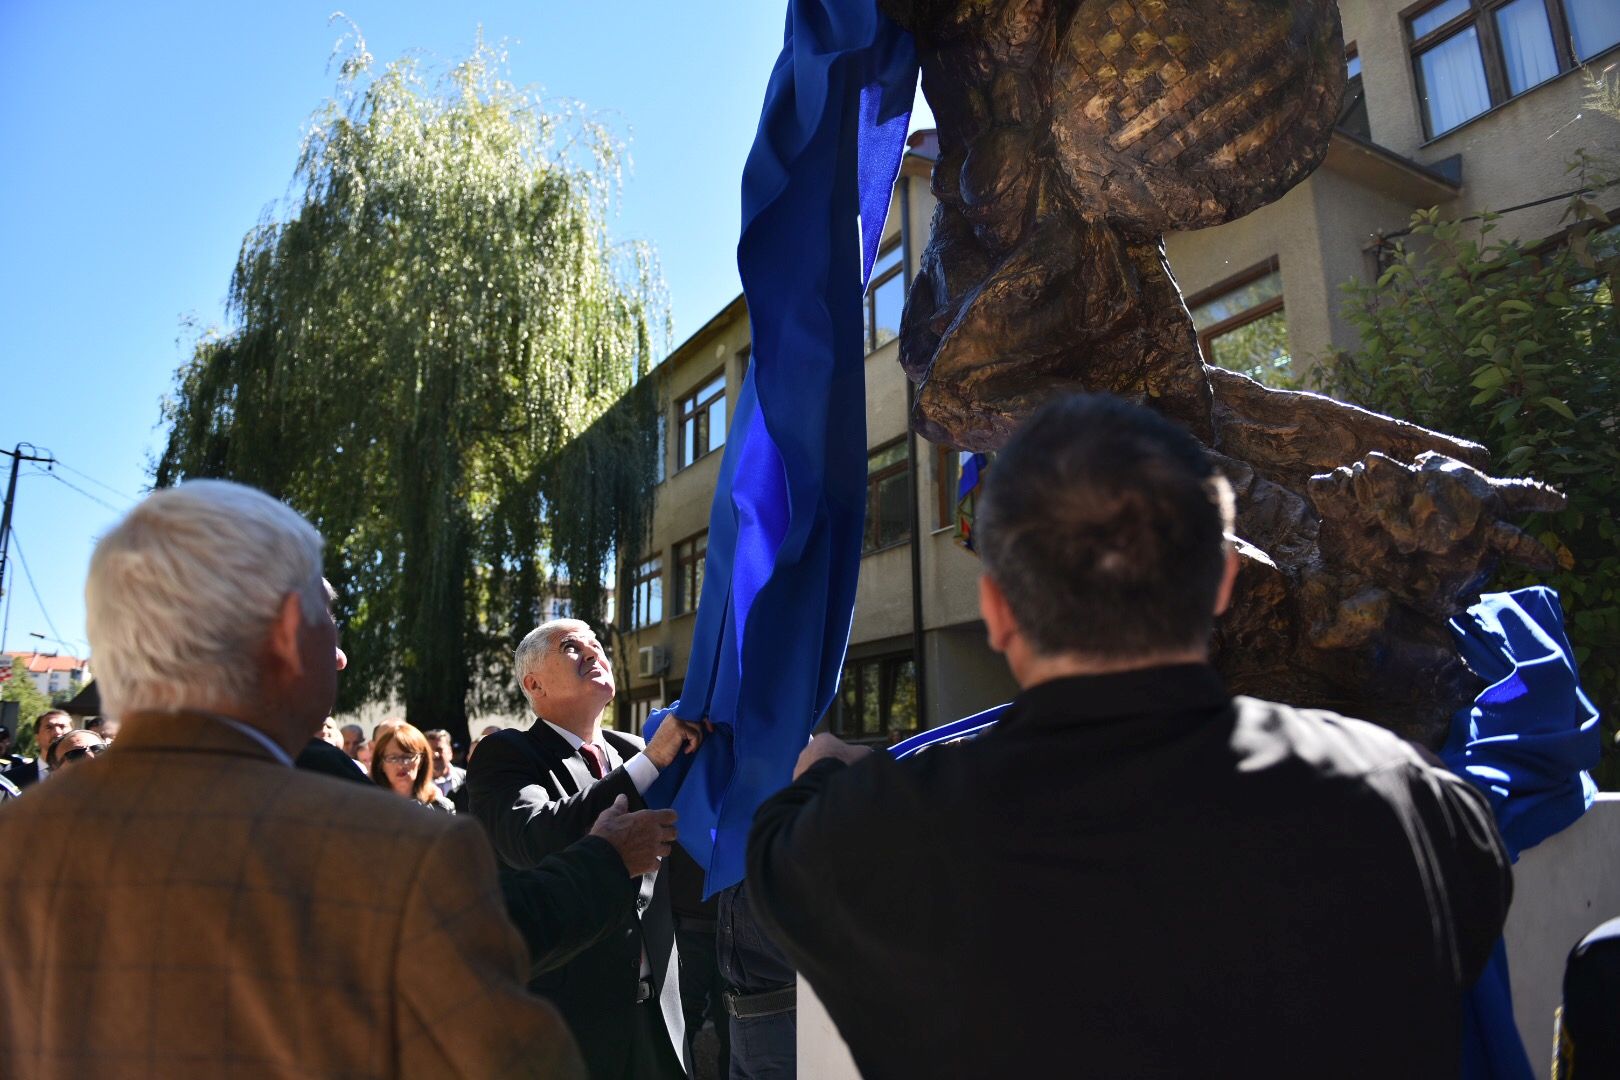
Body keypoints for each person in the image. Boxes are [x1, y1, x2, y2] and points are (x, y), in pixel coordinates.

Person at [747, 393, 1514, 1079]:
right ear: (1221, 579)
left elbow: (775, 855)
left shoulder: (871, 840)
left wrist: (827, 772)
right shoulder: (1414, 805)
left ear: (998, 609)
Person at [0, 479, 586, 1078]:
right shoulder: (399, 857)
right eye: (325, 621)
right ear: (284, 632)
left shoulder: (15, 841)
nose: (340, 656)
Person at [470, 618, 705, 1080]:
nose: (594, 652)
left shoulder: (631, 749)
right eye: (572, 646)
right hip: (566, 1024)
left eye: (597, 643)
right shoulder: (507, 754)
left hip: (660, 1017)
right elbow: (534, 839)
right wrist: (653, 760)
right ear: (532, 683)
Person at [373, 722, 455, 813]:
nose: (401, 765)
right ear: (381, 764)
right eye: (393, 758)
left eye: (408, 757)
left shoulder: (442, 808)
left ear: (421, 761)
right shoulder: (367, 807)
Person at [6, 709, 74, 789]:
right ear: (37, 737)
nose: (57, 732)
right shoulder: (10, 779)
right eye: (49, 727)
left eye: (62, 726)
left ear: (74, 734)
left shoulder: (84, 775)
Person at [425, 727, 469, 812]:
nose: (435, 755)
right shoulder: (417, 782)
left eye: (439, 749)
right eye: (429, 751)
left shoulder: (466, 778)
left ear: (450, 752)